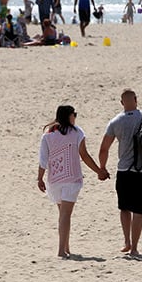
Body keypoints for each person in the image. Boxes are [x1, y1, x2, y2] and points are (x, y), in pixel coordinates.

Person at [98, 89, 142, 256]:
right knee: (138, 211)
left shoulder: (115, 121)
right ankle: (135, 247)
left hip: (124, 172)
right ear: (136, 100)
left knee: (124, 208)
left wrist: (102, 167)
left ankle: (127, 242)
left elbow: (104, 148)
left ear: (122, 103)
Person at [38, 105, 109, 258]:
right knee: (65, 215)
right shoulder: (77, 133)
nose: (75, 117)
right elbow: (84, 155)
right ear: (68, 116)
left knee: (62, 215)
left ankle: (66, 247)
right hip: (71, 179)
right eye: (74, 114)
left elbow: (43, 160)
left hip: (54, 180)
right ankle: (61, 251)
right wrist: (99, 171)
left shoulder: (47, 136)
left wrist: (40, 178)